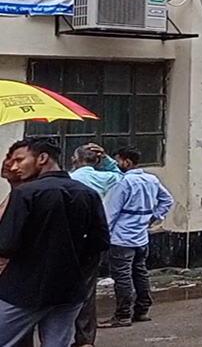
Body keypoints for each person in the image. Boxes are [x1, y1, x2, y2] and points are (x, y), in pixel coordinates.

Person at [0, 138, 109, 347]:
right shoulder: (88, 193)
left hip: (23, 290)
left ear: (42, 158)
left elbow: (6, 244)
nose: (14, 167)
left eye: (20, 160)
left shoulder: (25, 193)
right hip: (69, 290)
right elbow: (100, 242)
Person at [97, 147, 174, 329]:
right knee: (140, 273)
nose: (116, 165)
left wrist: (102, 237)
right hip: (141, 237)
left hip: (121, 239)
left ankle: (123, 315)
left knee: (122, 276)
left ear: (127, 162)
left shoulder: (123, 183)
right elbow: (167, 200)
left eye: (118, 161)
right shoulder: (151, 180)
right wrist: (155, 216)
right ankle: (142, 310)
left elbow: (110, 213)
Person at [68, 143, 122, 347]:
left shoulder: (69, 179)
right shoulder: (106, 177)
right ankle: (85, 339)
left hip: (69, 238)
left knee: (63, 287)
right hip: (94, 237)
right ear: (97, 161)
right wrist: (107, 160)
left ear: (75, 160)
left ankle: (60, 334)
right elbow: (121, 176)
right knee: (88, 290)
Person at [0, 147, 34, 347]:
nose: (9, 164)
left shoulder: (26, 196)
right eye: (8, 158)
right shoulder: (14, 195)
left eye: (17, 160)